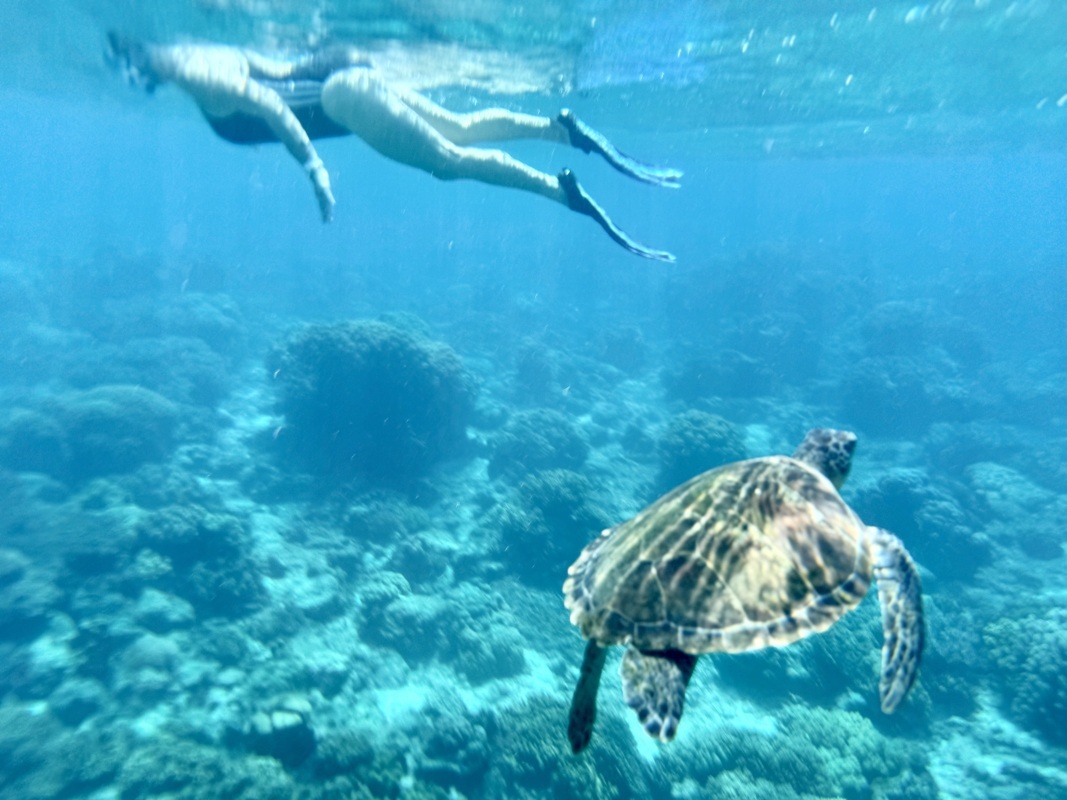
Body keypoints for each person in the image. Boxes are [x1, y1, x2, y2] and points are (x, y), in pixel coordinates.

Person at [106, 33, 681, 261]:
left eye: (135, 71)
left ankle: (558, 189)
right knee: (457, 126)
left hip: (340, 99)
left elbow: (272, 109)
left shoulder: (196, 71)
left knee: (447, 164)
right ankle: (561, 131)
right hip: (344, 80)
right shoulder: (194, 60)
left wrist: (314, 171)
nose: (140, 82)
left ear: (144, 65)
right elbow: (273, 78)